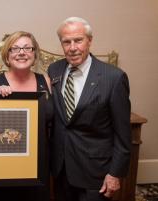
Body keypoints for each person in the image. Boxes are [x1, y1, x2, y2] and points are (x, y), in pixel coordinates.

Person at [48, 17, 131, 201]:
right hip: (61, 170)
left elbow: (123, 135)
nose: (72, 47)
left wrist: (115, 174)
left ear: (90, 41)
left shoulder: (114, 78)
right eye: (66, 42)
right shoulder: (54, 70)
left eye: (78, 40)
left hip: (96, 173)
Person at [0, 31, 52, 201]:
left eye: (27, 48)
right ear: (7, 56)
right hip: (1, 166)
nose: (22, 52)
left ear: (34, 54)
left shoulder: (46, 81)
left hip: (38, 165)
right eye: (15, 48)